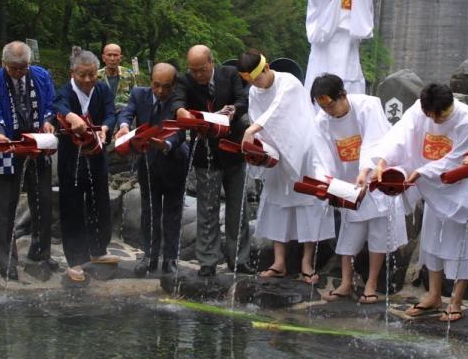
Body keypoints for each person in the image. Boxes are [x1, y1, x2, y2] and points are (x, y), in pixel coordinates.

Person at [367, 83, 468, 321]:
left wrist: (422, 171)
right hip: (433, 189)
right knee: (431, 243)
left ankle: (456, 301)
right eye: (430, 114)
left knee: (460, 245)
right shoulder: (420, 111)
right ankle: (433, 295)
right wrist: (383, 160)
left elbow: (456, 160)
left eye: (439, 115)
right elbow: (400, 134)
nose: (434, 119)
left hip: (461, 189)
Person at [238, 50, 334, 283]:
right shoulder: (254, 91)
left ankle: (306, 263)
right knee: (277, 204)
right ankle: (279, 262)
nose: (256, 85)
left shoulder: (288, 82)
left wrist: (252, 131)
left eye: (257, 78)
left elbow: (277, 110)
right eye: (251, 81)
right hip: (277, 153)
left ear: (267, 67)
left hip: (303, 150)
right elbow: (256, 115)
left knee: (307, 203)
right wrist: (261, 148)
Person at [309, 74, 403, 303]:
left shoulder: (367, 107)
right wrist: (327, 180)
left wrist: (365, 172)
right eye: (322, 107)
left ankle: (371, 284)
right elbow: (321, 156)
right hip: (347, 183)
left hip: (374, 179)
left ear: (343, 95)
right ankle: (346, 282)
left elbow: (376, 142)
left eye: (330, 105)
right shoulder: (322, 120)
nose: (328, 111)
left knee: (378, 234)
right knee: (349, 233)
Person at [172, 45, 253, 277]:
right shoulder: (185, 81)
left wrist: (233, 111)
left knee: (238, 208)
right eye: (194, 70)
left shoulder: (230, 73)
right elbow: (178, 101)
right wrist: (181, 112)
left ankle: (239, 259)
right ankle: (207, 260)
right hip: (205, 152)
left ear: (212, 62)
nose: (198, 75)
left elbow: (242, 99)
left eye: (202, 70)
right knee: (207, 208)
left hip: (233, 149)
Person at [0, 41, 57, 280]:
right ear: (3, 64)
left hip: (37, 144)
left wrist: (48, 121)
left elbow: (50, 104)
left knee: (43, 200)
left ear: (30, 63)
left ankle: (40, 253)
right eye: (13, 68)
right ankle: (7, 260)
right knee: (5, 205)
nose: (18, 72)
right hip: (7, 146)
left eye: (22, 68)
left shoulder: (41, 75)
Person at [116, 63, 188, 276]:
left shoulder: (178, 101)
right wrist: (123, 126)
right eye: (156, 85)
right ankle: (149, 255)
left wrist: (166, 145)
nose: (160, 91)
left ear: (173, 85)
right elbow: (126, 113)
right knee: (149, 211)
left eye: (166, 87)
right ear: (150, 82)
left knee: (172, 214)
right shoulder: (139, 95)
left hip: (174, 160)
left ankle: (170, 258)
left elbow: (181, 131)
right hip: (147, 162)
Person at [53, 49, 117, 282]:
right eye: (82, 75)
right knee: (71, 207)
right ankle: (75, 260)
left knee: (99, 200)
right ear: (73, 73)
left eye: (92, 75)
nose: (88, 80)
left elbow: (111, 114)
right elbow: (58, 106)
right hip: (71, 157)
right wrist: (71, 116)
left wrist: (106, 128)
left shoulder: (102, 90)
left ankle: (99, 248)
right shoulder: (65, 91)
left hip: (96, 153)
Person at [97, 43, 142, 108]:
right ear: (103, 58)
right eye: (109, 55)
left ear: (120, 58)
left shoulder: (128, 74)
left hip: (125, 113)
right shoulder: (96, 76)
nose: (112, 59)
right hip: (104, 113)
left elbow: (136, 96)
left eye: (115, 55)